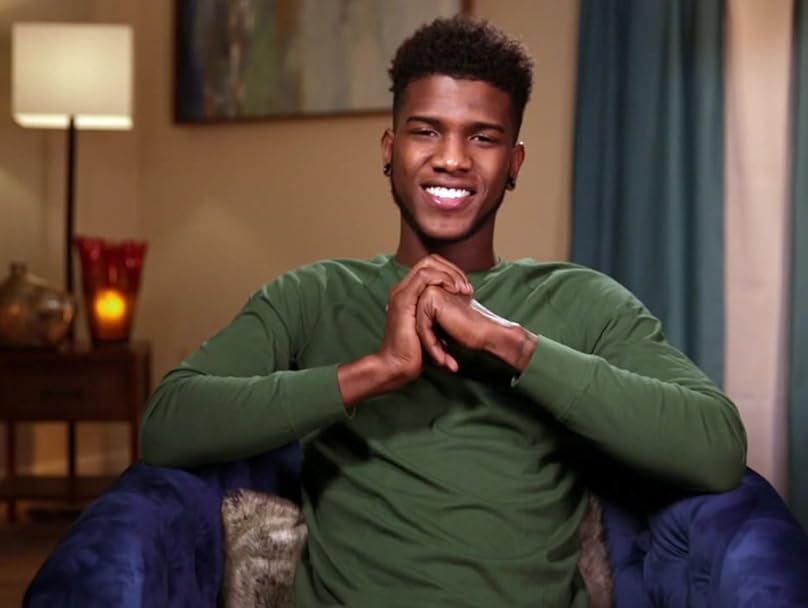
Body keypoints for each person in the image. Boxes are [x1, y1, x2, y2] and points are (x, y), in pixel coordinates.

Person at [140, 15, 747, 607]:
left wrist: (507, 342)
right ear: (390, 149)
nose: (452, 158)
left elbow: (716, 450)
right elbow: (166, 425)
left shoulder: (583, 300)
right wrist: (377, 370)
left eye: (482, 137)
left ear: (514, 163)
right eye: (426, 131)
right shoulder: (313, 295)